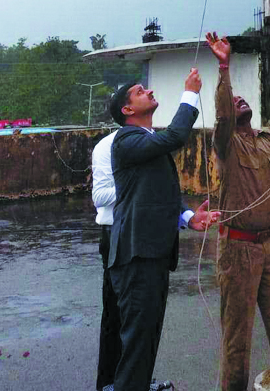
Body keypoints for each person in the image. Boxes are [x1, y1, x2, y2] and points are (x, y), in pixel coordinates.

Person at [206, 31, 270, 391]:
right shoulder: (226, 145)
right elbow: (221, 117)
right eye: (234, 101)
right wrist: (224, 67)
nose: (240, 101)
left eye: (242, 98)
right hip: (238, 248)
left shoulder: (269, 140)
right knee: (238, 336)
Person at [106, 70, 219, 391]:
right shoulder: (127, 140)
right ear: (127, 110)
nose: (149, 90)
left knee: (148, 336)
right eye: (141, 91)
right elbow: (176, 137)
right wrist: (190, 94)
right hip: (135, 256)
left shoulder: (146, 144)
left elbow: (155, 194)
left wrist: (187, 217)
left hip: (149, 253)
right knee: (138, 341)